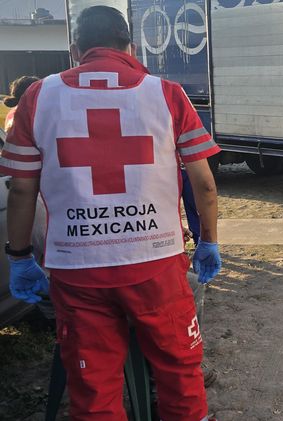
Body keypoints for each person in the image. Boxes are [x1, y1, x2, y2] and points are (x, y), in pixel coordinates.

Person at [1, 6, 221, 420]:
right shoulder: (167, 93)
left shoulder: (37, 96)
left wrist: (18, 258)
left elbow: (22, 190)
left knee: (93, 386)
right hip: (155, 263)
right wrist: (208, 240)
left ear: (74, 50)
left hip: (77, 269)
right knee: (179, 371)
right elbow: (204, 183)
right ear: (131, 47)